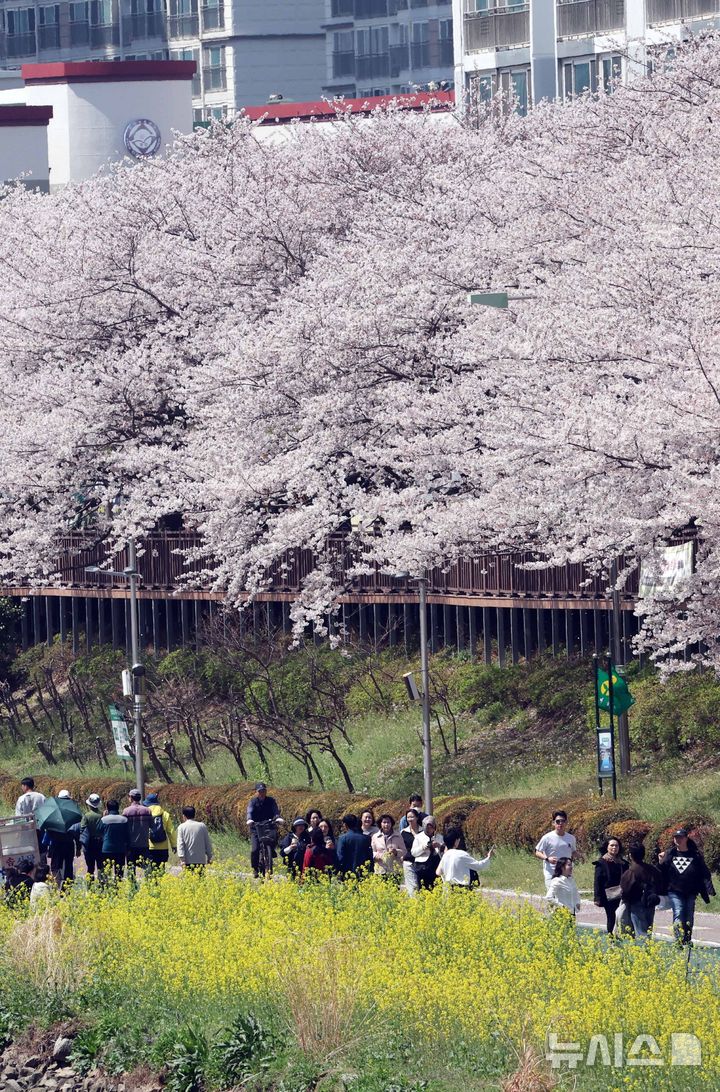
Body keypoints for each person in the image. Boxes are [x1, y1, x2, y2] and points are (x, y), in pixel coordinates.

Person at [658, 829, 714, 946]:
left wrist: (709, 888)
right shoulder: (670, 854)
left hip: (691, 891)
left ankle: (687, 939)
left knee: (689, 915)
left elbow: (704, 873)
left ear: (686, 838)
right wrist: (661, 862)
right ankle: (678, 940)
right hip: (674, 891)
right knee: (678, 912)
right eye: (676, 837)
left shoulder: (695, 855)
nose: (678, 840)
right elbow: (661, 872)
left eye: (680, 837)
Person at [620, 844, 662, 940]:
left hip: (636, 903)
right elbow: (660, 884)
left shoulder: (631, 871)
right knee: (648, 929)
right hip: (650, 902)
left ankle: (642, 948)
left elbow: (626, 889)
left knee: (640, 932)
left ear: (630, 855)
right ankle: (648, 947)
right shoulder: (652, 869)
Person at [246, 782, 283, 878]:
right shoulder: (253, 802)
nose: (262, 793)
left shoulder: (271, 801)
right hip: (256, 827)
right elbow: (250, 811)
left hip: (268, 825)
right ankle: (255, 868)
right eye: (260, 791)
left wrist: (277, 817)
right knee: (255, 849)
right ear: (256, 792)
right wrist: (249, 819)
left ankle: (270, 852)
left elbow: (275, 811)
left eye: (263, 791)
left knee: (274, 836)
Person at [593, 837, 629, 934]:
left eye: (616, 845)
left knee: (622, 917)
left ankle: (620, 937)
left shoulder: (623, 863)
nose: (614, 847)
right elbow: (597, 881)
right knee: (611, 917)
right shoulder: (601, 863)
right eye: (612, 845)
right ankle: (611, 938)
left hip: (622, 894)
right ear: (607, 847)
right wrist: (597, 897)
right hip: (608, 896)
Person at [535, 811, 578, 890]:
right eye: (558, 821)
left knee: (566, 894)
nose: (560, 823)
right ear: (553, 823)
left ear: (566, 823)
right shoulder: (547, 837)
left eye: (563, 821)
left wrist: (580, 856)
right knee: (552, 895)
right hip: (551, 872)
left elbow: (573, 852)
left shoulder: (571, 838)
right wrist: (547, 858)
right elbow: (537, 852)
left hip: (566, 872)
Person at [143, 791, 177, 875]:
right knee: (161, 870)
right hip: (163, 847)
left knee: (149, 871)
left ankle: (150, 883)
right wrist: (174, 845)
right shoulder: (165, 814)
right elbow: (171, 831)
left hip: (149, 847)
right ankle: (160, 882)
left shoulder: (145, 814)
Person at [123, 789, 152, 874]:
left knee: (131, 870)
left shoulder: (126, 811)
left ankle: (132, 883)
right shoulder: (147, 810)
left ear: (131, 798)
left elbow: (123, 827)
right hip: (144, 844)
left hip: (131, 844)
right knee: (147, 869)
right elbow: (152, 825)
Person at [411, 815, 445, 890]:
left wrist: (439, 846)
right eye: (427, 827)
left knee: (437, 888)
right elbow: (413, 853)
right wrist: (423, 848)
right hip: (422, 866)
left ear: (434, 827)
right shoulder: (418, 837)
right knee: (423, 888)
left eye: (431, 827)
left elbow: (445, 851)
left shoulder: (439, 837)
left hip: (436, 865)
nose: (429, 829)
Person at [15, 777, 46, 857]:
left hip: (26, 829)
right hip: (40, 827)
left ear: (25, 786)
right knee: (41, 851)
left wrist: (18, 831)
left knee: (28, 851)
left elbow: (18, 817)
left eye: (22, 786)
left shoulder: (21, 799)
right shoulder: (41, 797)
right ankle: (42, 864)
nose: (22, 788)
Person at [335, 814, 372, 879]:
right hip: (363, 874)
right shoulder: (366, 838)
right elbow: (370, 857)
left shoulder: (342, 838)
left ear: (345, 825)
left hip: (347, 874)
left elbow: (340, 858)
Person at [177, 806, 213, 871]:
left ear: (184, 816)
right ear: (194, 814)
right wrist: (209, 856)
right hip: (201, 860)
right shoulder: (202, 826)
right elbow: (207, 842)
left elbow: (180, 844)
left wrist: (182, 859)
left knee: (189, 877)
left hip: (188, 860)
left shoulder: (181, 827)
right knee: (200, 876)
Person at [100, 799, 129, 881]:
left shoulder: (104, 820)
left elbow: (99, 832)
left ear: (107, 808)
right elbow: (127, 835)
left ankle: (106, 887)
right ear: (118, 808)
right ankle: (118, 887)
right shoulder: (124, 820)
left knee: (106, 873)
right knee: (119, 873)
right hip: (120, 849)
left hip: (106, 849)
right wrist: (128, 848)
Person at [80, 793, 105, 882]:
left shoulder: (87, 816)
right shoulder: (102, 815)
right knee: (101, 866)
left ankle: (90, 884)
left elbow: (82, 828)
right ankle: (102, 883)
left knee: (90, 867)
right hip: (100, 842)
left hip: (89, 843)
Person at [400, 808, 423, 895]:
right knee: (412, 888)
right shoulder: (403, 832)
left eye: (412, 817)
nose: (410, 819)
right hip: (408, 862)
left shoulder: (423, 831)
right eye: (408, 817)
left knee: (422, 886)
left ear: (417, 818)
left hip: (422, 862)